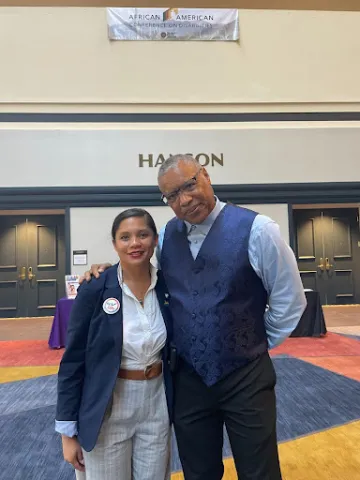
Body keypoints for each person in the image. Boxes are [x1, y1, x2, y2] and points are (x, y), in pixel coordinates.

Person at [83, 154, 307, 480]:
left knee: (259, 471)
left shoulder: (258, 230)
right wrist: (106, 271)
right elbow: (143, 274)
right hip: (188, 380)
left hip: (246, 376)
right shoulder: (165, 238)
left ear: (205, 175)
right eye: (172, 195)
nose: (185, 199)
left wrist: (253, 340)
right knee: (198, 472)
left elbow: (290, 301)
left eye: (189, 185)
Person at [55, 208, 173, 480]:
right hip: (108, 404)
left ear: (155, 240)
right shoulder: (95, 288)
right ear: (114, 244)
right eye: (125, 237)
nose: (135, 243)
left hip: (157, 404)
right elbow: (73, 360)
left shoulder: (168, 286)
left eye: (143, 235)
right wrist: (67, 432)